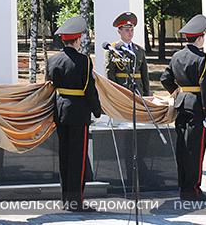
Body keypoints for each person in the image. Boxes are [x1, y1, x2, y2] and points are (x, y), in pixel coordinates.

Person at [47, 16, 102, 212]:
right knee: (77, 158)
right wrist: (97, 110)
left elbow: (49, 85)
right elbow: (89, 89)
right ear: (77, 40)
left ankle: (66, 199)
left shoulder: (53, 60)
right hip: (79, 113)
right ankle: (76, 201)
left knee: (65, 156)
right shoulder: (84, 61)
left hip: (60, 111)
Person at [160, 14, 206, 201]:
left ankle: (184, 187)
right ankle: (193, 189)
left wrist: (177, 91)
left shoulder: (177, 56)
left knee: (183, 149)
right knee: (195, 150)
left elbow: (164, 78)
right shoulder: (203, 58)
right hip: (197, 107)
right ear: (199, 37)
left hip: (181, 104)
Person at [105, 12, 150, 95]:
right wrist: (114, 92)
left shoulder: (139, 50)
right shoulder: (113, 49)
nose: (130, 33)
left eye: (132, 30)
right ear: (119, 31)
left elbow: (144, 74)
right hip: (121, 90)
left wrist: (147, 93)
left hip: (137, 91)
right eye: (127, 30)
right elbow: (110, 73)